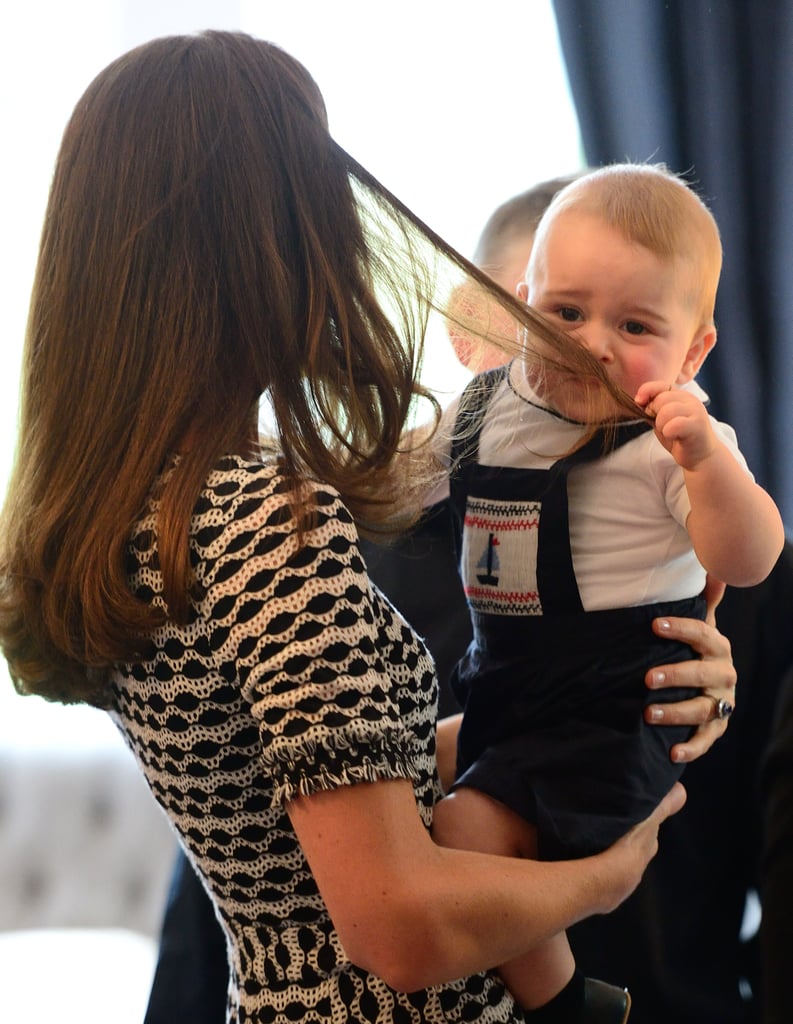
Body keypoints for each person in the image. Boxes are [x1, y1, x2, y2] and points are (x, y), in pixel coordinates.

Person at [1, 34, 738, 1023]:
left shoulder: (158, 508)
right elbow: (395, 926)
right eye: (317, 189)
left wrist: (610, 695)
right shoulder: (261, 517)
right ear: (260, 234)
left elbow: (308, 789)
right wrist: (603, 875)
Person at [429, 163, 784, 1022]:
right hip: (435, 979)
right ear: (493, 322)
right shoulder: (452, 458)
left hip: (662, 980)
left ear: (690, 350)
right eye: (559, 316)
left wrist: (709, 466)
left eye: (629, 323)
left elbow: (750, 550)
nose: (586, 346)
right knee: (458, 815)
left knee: (479, 819)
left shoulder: (676, 464)